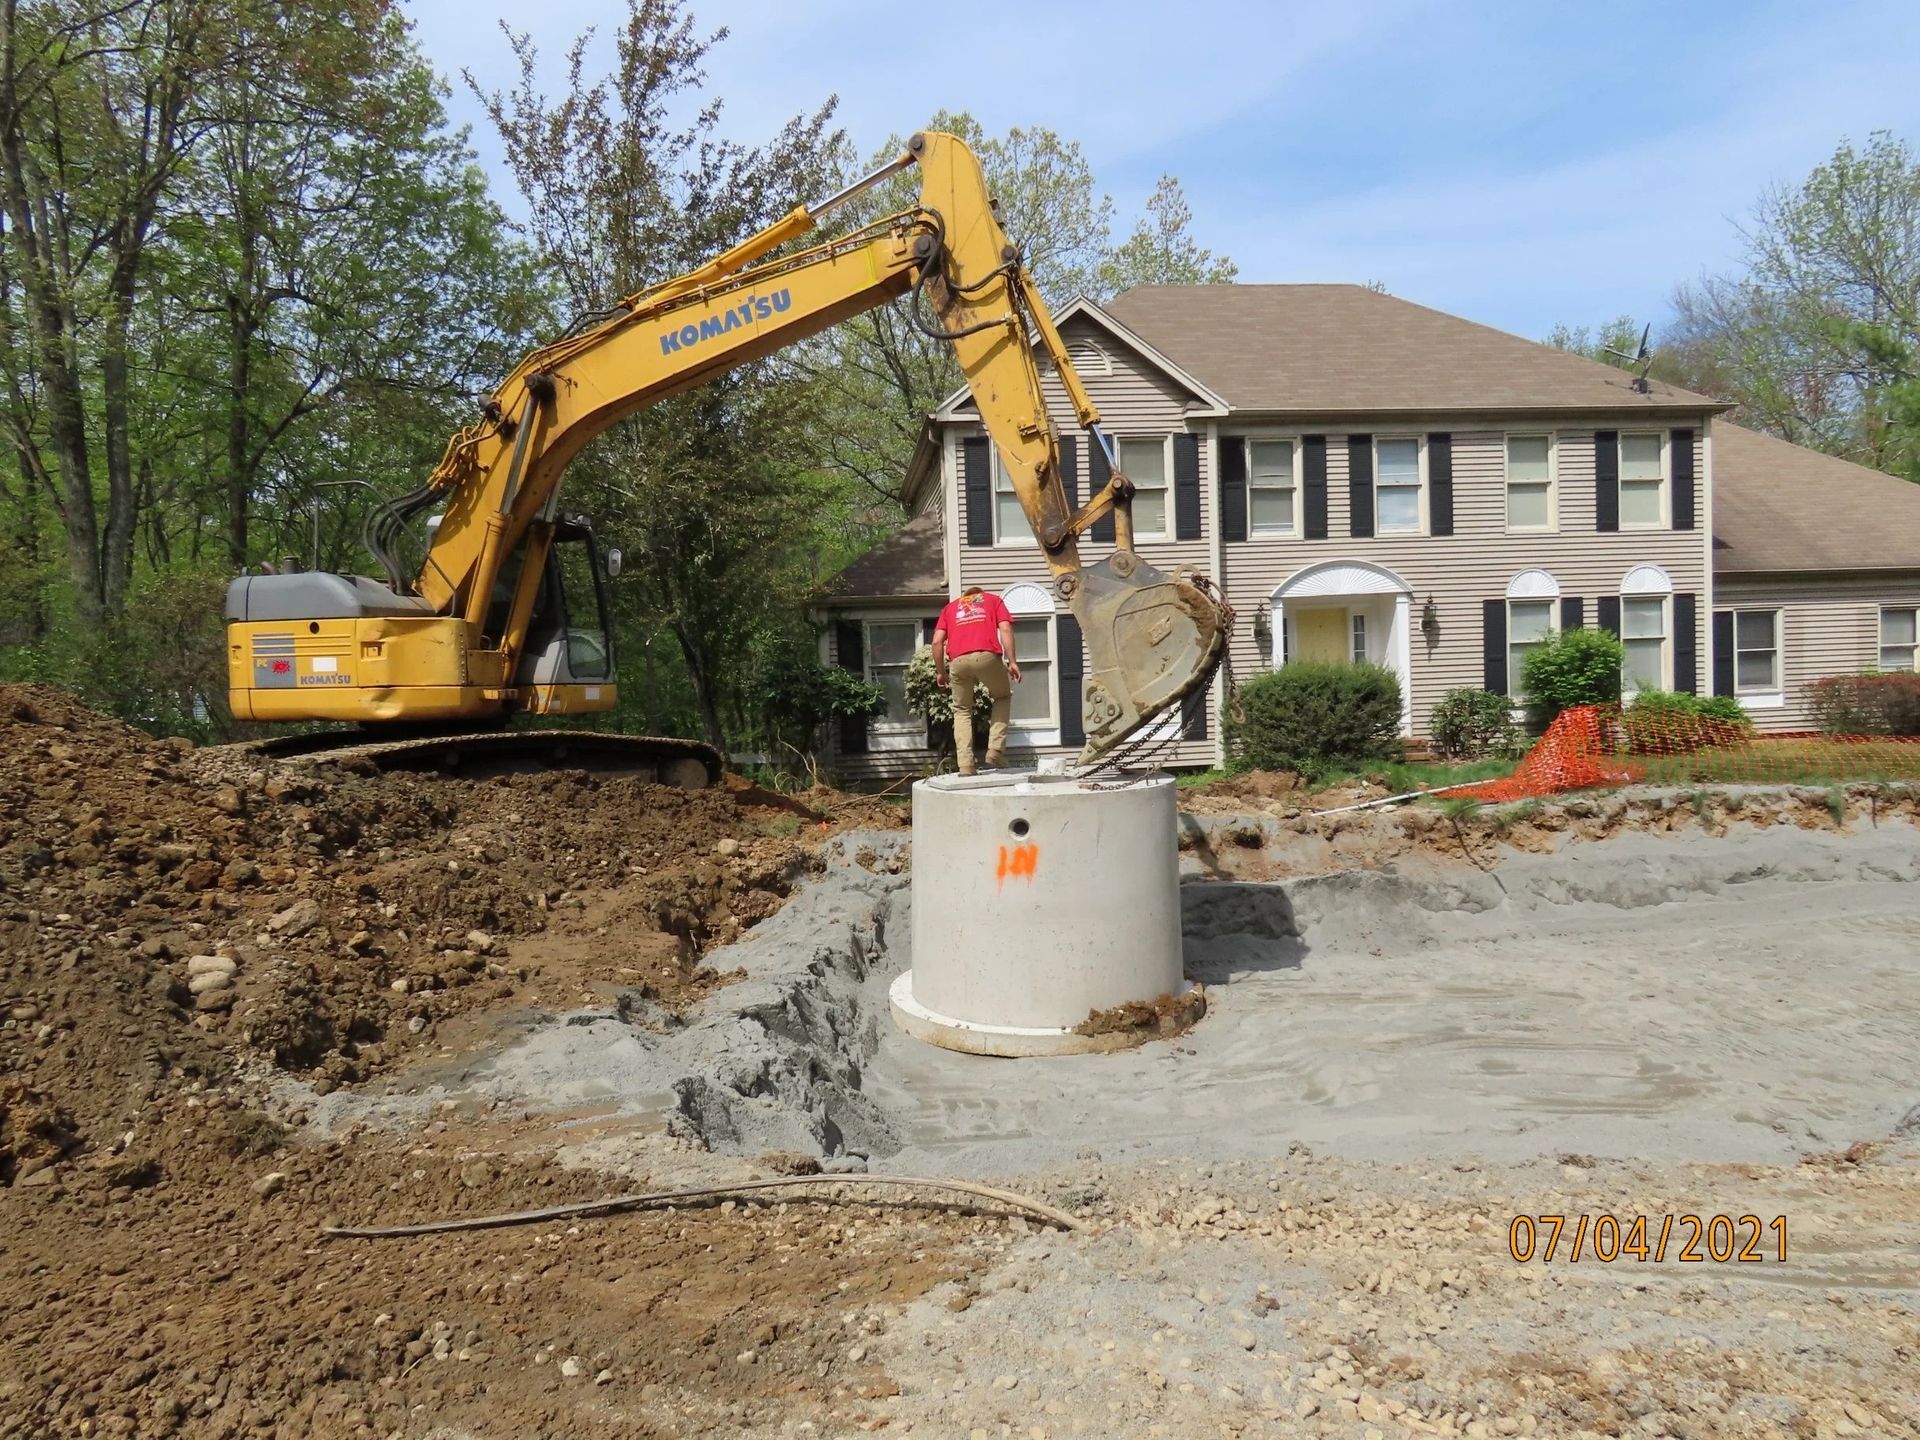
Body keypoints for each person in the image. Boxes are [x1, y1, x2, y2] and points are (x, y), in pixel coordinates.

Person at [931, 584, 1022, 775]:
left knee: (962, 710)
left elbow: (937, 641)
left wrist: (941, 672)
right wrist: (1012, 661)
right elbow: (1005, 629)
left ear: (966, 596)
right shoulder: (993, 600)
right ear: (979, 595)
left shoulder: (950, 608)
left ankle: (965, 764)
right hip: (987, 656)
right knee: (1002, 697)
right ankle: (995, 750)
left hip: (958, 661)